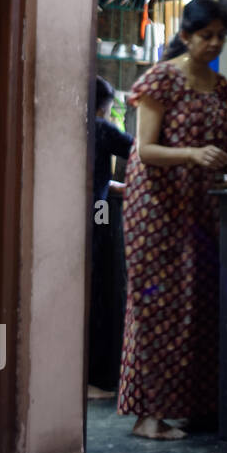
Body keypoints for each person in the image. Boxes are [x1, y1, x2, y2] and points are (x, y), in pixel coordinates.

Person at [118, 0, 227, 440]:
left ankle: (195, 408)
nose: (213, 44)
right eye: (205, 36)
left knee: (199, 304)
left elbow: (222, 146)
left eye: (219, 36)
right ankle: (148, 416)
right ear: (185, 36)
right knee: (157, 305)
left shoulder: (220, 88)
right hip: (157, 206)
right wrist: (194, 154)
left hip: (201, 206)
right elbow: (146, 149)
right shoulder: (162, 79)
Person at [89, 76, 133, 400]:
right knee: (100, 297)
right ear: (105, 105)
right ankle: (96, 382)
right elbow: (141, 152)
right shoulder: (102, 128)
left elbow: (92, 173)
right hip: (97, 221)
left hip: (77, 217)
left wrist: (110, 186)